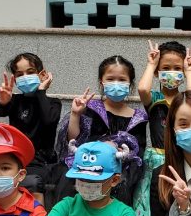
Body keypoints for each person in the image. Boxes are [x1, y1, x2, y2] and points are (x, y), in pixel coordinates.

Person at [133, 41, 191, 216]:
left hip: (181, 160)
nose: (171, 72)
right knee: (150, 207)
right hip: (156, 160)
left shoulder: (185, 100)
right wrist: (151, 64)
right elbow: (142, 89)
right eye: (166, 68)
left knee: (179, 203)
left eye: (177, 68)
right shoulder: (154, 98)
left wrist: (189, 72)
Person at [57, 55, 147, 206]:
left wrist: (123, 154)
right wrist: (75, 114)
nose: (116, 84)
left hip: (117, 174)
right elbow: (74, 141)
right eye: (110, 79)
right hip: (86, 167)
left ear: (130, 83)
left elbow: (138, 153)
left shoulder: (139, 118)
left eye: (122, 79)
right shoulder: (91, 108)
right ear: (101, 82)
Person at [0, 52, 62, 197]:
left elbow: (49, 120)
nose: (25, 77)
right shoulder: (15, 100)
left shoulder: (53, 103)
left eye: (30, 72)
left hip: (42, 162)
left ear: (42, 74)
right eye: (20, 74)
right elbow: (1, 111)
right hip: (17, 159)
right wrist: (3, 101)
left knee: (32, 181)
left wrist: (41, 91)